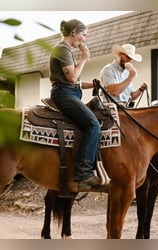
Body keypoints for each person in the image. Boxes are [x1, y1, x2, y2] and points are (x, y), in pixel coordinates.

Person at [49, 19, 101, 189]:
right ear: (74, 33)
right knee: (93, 125)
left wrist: (93, 85)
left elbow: (74, 81)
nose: (84, 39)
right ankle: (83, 174)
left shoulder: (66, 50)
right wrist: (84, 58)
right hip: (64, 95)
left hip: (69, 91)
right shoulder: (62, 49)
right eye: (83, 35)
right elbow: (71, 77)